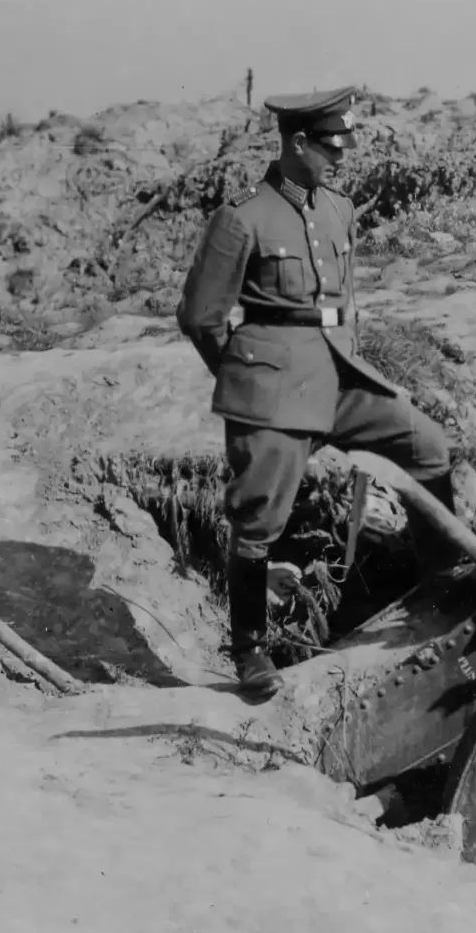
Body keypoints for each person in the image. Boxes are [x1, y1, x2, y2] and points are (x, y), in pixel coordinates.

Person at [176, 87, 456, 701]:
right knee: (257, 523)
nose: (342, 158)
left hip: (340, 378)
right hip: (272, 387)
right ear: (298, 143)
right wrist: (247, 380)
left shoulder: (339, 209)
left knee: (427, 445)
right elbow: (201, 317)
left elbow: (342, 303)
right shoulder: (242, 217)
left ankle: (442, 582)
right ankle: (250, 650)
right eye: (331, 147)